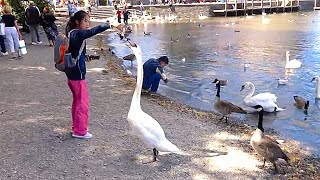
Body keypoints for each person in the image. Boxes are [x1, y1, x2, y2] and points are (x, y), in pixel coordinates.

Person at [65, 10, 123, 139]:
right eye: (85, 21)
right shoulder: (78, 34)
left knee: (77, 102)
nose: (88, 24)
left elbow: (75, 52)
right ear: (77, 22)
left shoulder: (72, 33)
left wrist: (85, 58)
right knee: (82, 104)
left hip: (71, 74)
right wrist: (109, 25)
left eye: (88, 21)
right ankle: (80, 131)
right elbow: (91, 32)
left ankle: (76, 127)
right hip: (77, 76)